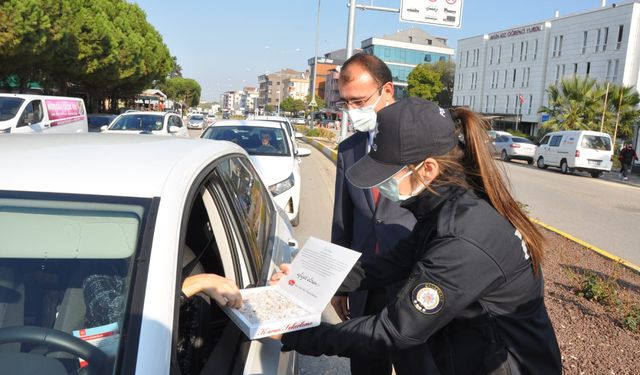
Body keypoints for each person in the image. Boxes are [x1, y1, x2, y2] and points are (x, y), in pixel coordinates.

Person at [271, 97, 562, 374]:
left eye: (387, 174)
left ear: (428, 169)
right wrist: (306, 277)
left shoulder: (464, 236)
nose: (380, 186)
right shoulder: (447, 207)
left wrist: (297, 333)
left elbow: (394, 330)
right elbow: (388, 264)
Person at [331, 53, 420, 375]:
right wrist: (339, 283)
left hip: (412, 282)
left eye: (359, 101)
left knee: (416, 365)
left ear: (388, 90)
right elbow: (343, 222)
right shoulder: (349, 149)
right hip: (364, 281)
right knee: (366, 366)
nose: (353, 111)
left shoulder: (421, 144)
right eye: (346, 103)